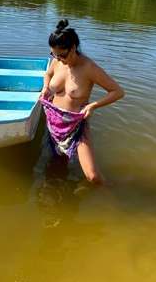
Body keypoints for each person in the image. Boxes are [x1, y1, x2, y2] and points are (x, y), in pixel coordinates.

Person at [40, 19, 124, 184]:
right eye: (54, 54)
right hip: (54, 121)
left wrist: (93, 105)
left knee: (92, 175)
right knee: (58, 164)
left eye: (62, 55)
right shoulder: (57, 61)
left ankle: (108, 195)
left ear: (73, 48)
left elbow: (118, 92)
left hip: (76, 125)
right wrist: (45, 88)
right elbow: (48, 74)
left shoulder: (89, 68)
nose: (59, 59)